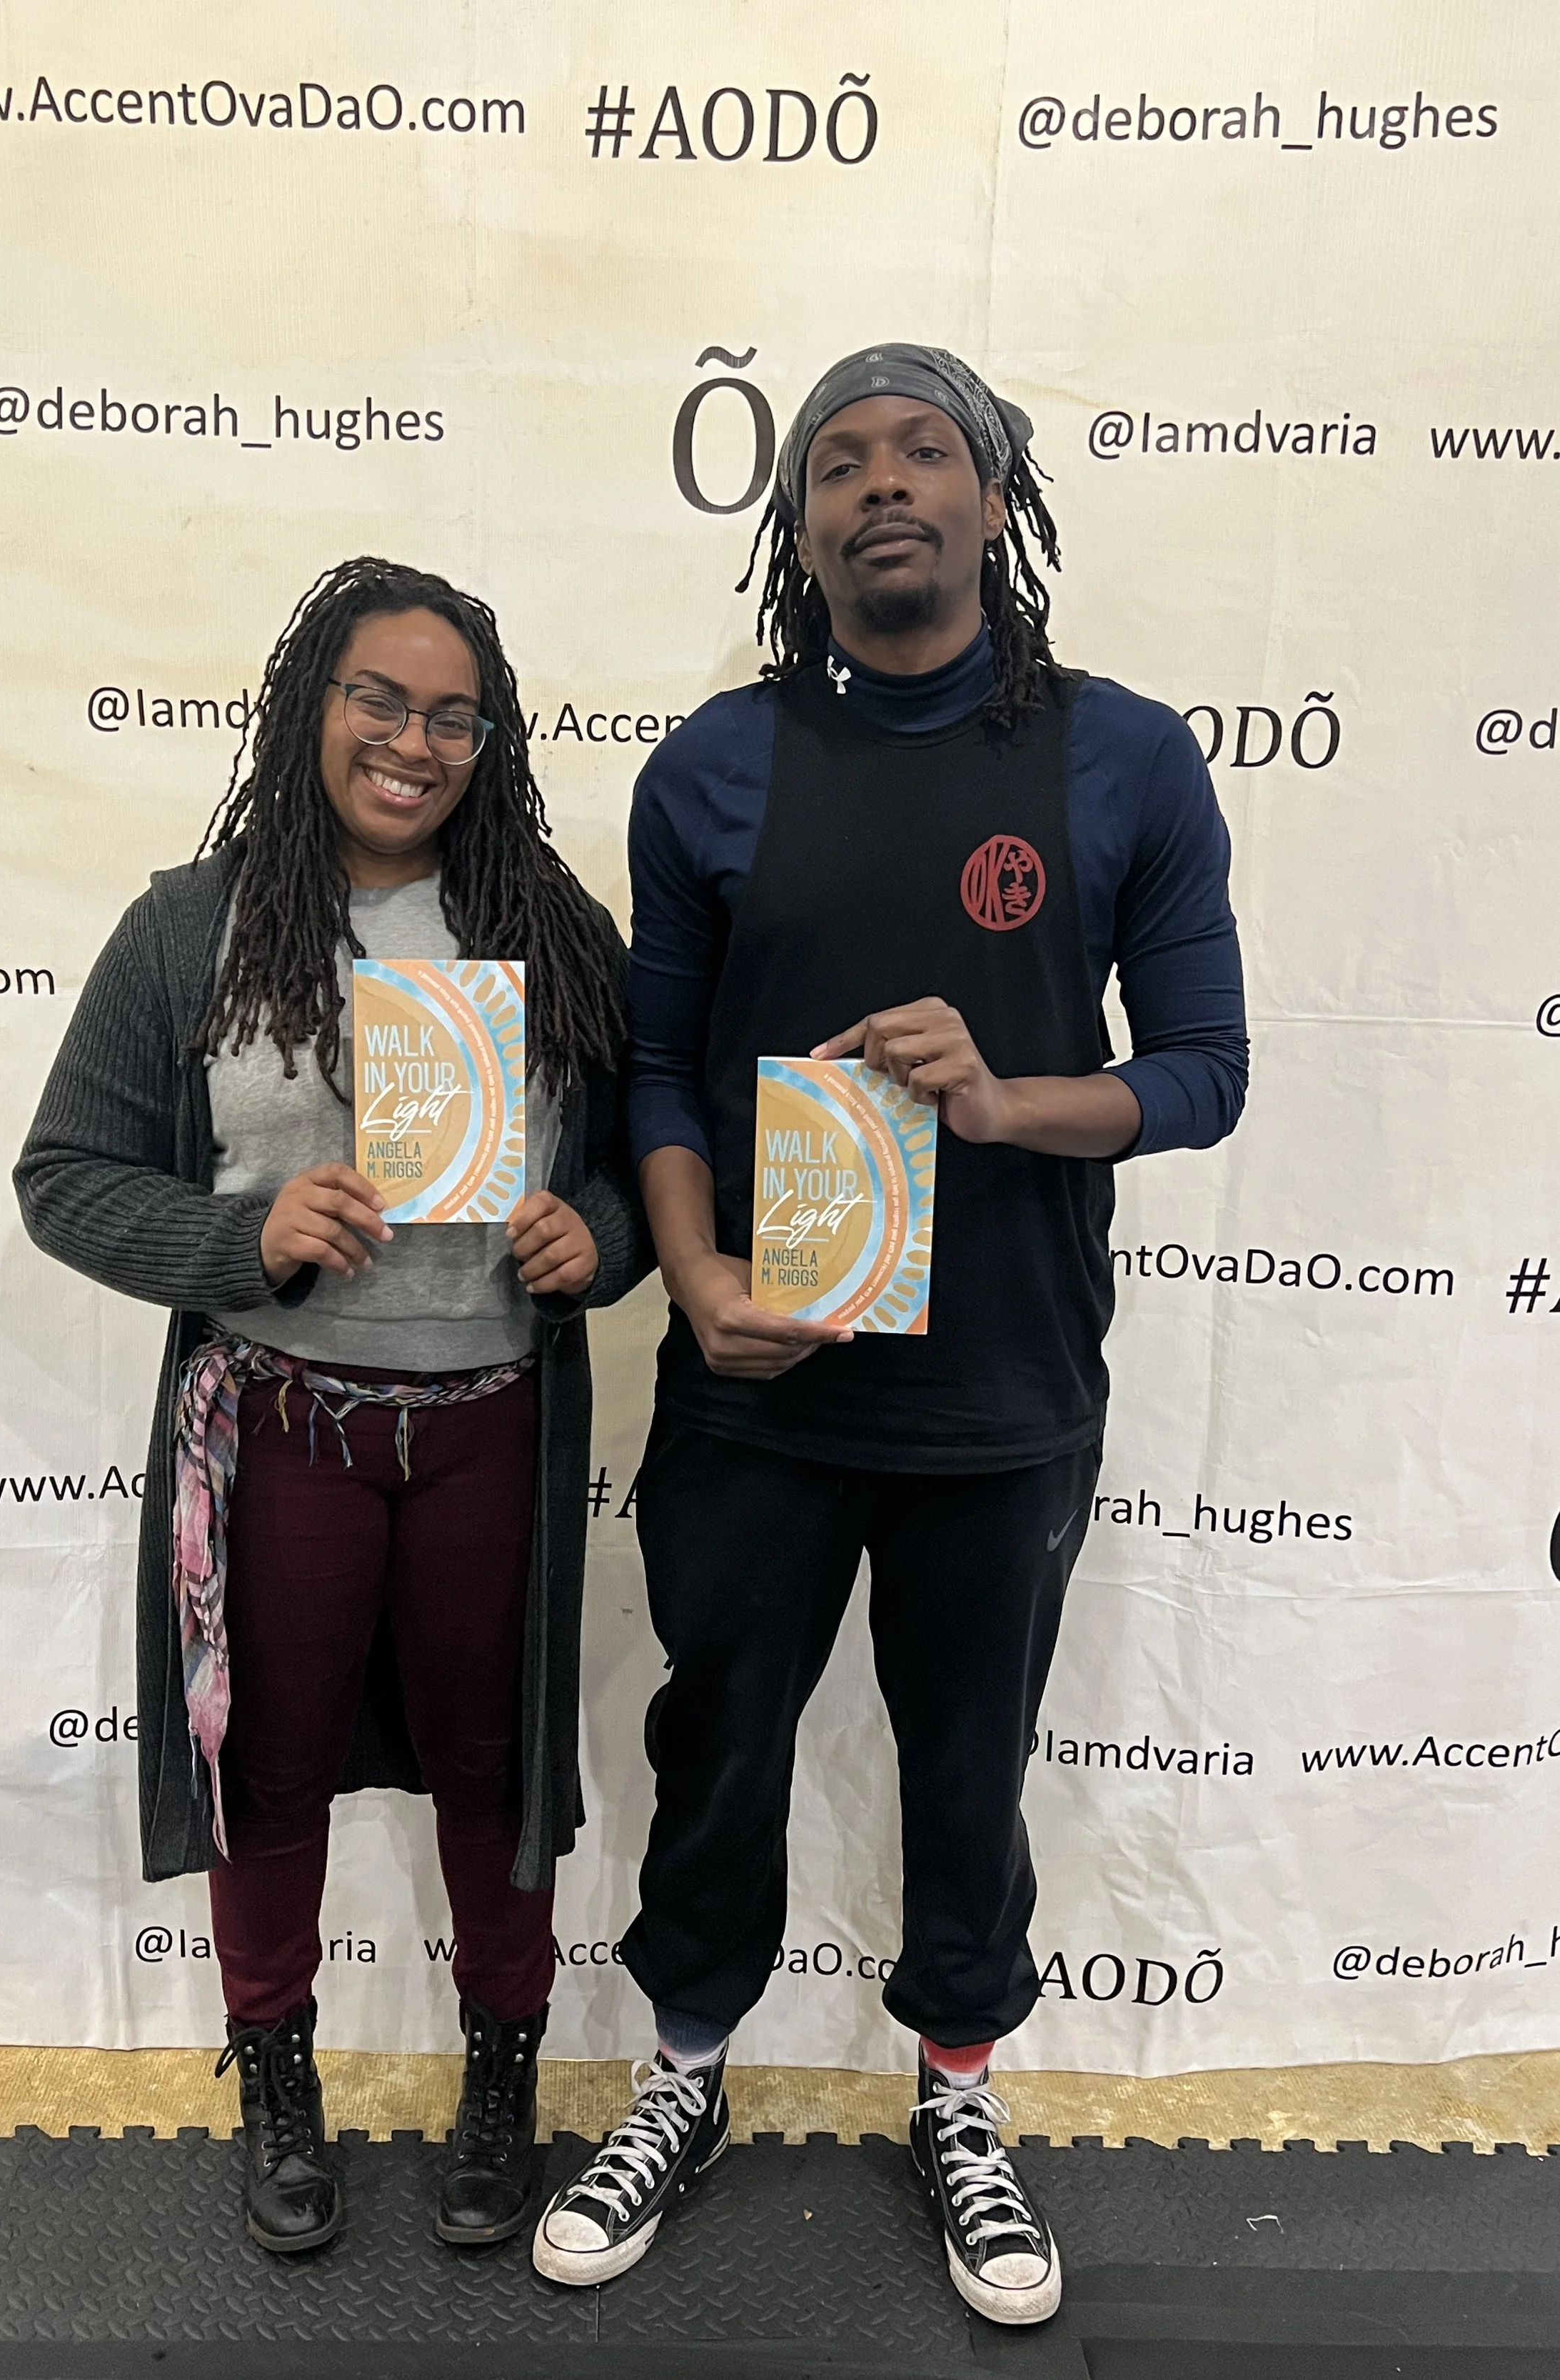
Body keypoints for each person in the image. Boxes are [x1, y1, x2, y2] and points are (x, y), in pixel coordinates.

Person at [531, 347, 1247, 2324]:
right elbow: (657, 1073)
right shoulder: (709, 768)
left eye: (922, 450)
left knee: (966, 1769)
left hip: (1003, 1388)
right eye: (835, 462)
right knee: (716, 1752)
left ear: (994, 500)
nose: (879, 484)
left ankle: (957, 2097)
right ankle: (683, 2078)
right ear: (798, 527)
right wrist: (695, 1278)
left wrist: (1003, 1099)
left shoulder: (1121, 757)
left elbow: (1202, 1072)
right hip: (753, 1389)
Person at [17, 557, 648, 2256]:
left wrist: (598, 1235)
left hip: (490, 1427)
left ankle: (501, 2078)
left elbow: (634, 1168)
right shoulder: (189, 929)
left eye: (453, 716)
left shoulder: (551, 929)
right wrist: (242, 1235)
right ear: (313, 705)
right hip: (278, 1425)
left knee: (491, 1773)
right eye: (379, 699)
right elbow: (66, 1175)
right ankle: (278, 2078)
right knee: (268, 1767)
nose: (412, 741)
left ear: (488, 744)